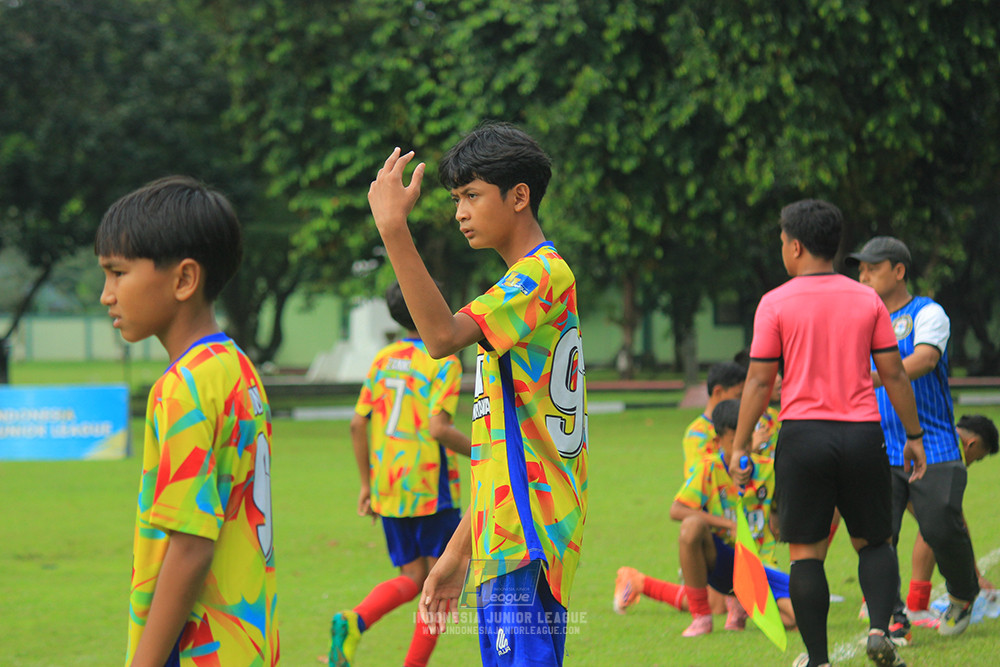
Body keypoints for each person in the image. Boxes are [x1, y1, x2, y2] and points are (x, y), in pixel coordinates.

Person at [367, 122, 588, 667]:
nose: (460, 211)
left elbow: (440, 337)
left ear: (519, 197)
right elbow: (501, 454)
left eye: (471, 195)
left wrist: (394, 228)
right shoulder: (518, 291)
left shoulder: (539, 277)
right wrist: (455, 552)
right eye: (455, 198)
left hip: (528, 534)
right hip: (505, 534)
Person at [728, 199, 926, 667]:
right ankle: (880, 630)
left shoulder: (774, 303)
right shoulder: (867, 299)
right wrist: (913, 435)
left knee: (806, 554)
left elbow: (759, 381)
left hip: (804, 438)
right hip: (861, 434)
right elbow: (894, 373)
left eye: (781, 242)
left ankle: (817, 659)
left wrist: (739, 442)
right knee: (874, 542)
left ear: (795, 246)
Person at [96, 176, 279, 666]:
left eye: (117, 273)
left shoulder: (181, 389)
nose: (106, 295)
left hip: (201, 651)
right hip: (250, 642)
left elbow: (192, 547)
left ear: (183, 279)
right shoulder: (236, 368)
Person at [328, 282, 472, 667]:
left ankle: (353, 621)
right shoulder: (443, 358)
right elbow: (438, 428)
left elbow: (358, 424)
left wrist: (365, 484)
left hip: (388, 485)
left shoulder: (383, 358)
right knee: (443, 581)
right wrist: (485, 452)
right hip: (429, 486)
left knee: (413, 577)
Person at [847, 235, 980, 640]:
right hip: (874, 442)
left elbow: (923, 359)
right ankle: (891, 614)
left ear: (899, 271)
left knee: (940, 523)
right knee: (875, 533)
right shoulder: (856, 319)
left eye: (873, 267)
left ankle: (962, 592)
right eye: (861, 268)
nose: (863, 275)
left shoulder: (928, 312)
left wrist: (872, 377)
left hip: (933, 440)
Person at [614, 400, 797, 637]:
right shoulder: (708, 467)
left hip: (759, 566)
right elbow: (676, 510)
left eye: (747, 440)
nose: (741, 449)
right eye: (734, 443)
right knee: (692, 527)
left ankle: (745, 603)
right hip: (723, 561)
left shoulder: (769, 470)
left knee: (795, 619)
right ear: (719, 442)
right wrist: (729, 524)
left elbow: (780, 519)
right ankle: (701, 618)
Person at [904, 414, 998, 625]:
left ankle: (870, 605)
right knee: (934, 525)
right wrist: (974, 576)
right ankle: (916, 608)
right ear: (971, 444)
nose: (972, 464)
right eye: (978, 458)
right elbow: (954, 521)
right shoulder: (947, 454)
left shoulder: (932, 428)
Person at [681, 362, 746, 475]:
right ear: (718, 392)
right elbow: (702, 477)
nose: (742, 401)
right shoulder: (698, 434)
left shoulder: (747, 425)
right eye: (738, 395)